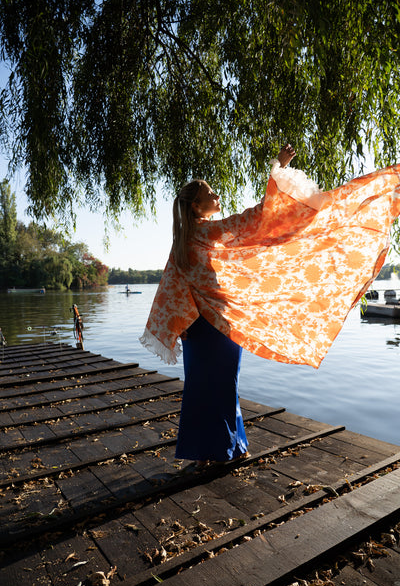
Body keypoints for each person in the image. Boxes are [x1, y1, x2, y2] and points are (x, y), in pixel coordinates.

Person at [140, 145, 400, 465]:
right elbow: (258, 218)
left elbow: (173, 290)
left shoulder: (183, 240)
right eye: (211, 193)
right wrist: (279, 166)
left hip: (195, 330)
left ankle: (215, 452)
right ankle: (223, 450)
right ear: (197, 206)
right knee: (222, 386)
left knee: (202, 388)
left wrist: (179, 328)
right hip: (217, 325)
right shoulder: (210, 232)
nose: (217, 195)